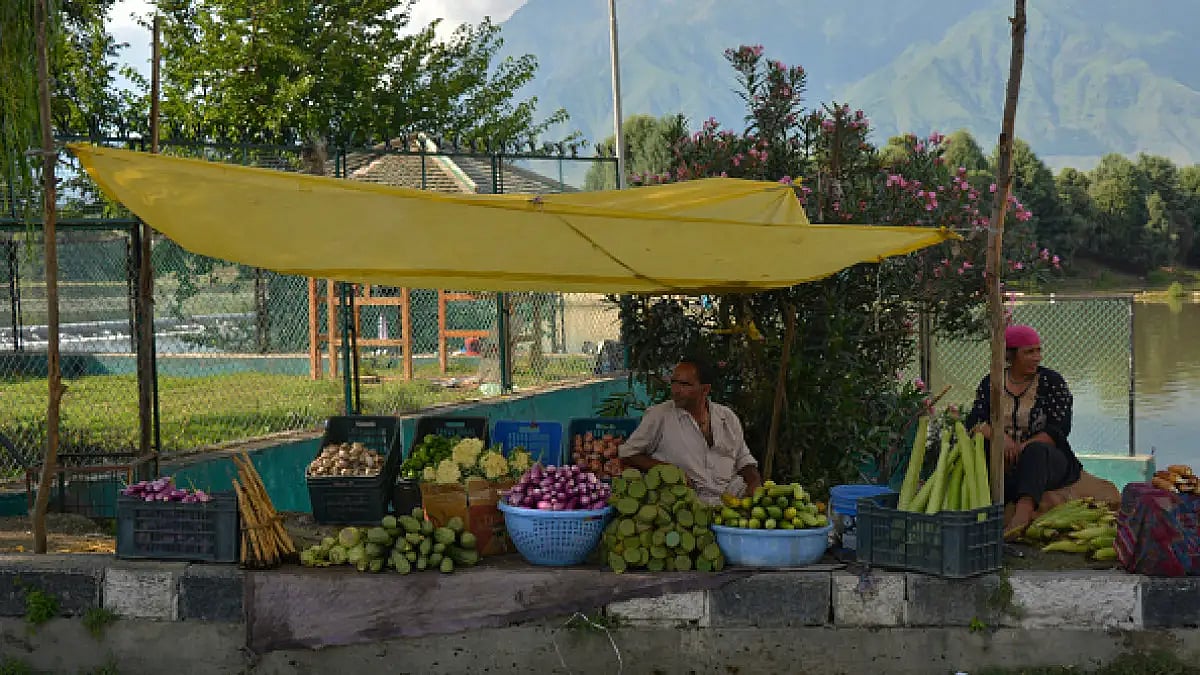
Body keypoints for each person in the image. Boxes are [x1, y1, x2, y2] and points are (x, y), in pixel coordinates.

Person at [966, 324, 1082, 534]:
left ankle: (1022, 513)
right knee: (979, 448)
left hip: (1045, 460)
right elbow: (975, 421)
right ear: (1011, 355)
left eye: (1038, 351)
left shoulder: (1052, 382)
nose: (1037, 357)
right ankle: (979, 514)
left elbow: (1059, 429)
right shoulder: (991, 383)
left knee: (1035, 452)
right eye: (1029, 352)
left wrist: (1022, 448)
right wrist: (1001, 439)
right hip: (1005, 459)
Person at [619, 358, 762, 506]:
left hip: (735, 499)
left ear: (705, 389)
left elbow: (743, 458)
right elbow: (628, 454)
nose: (675, 390)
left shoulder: (727, 417)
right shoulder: (659, 416)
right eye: (673, 382)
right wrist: (668, 470)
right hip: (688, 504)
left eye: (684, 384)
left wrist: (754, 482)